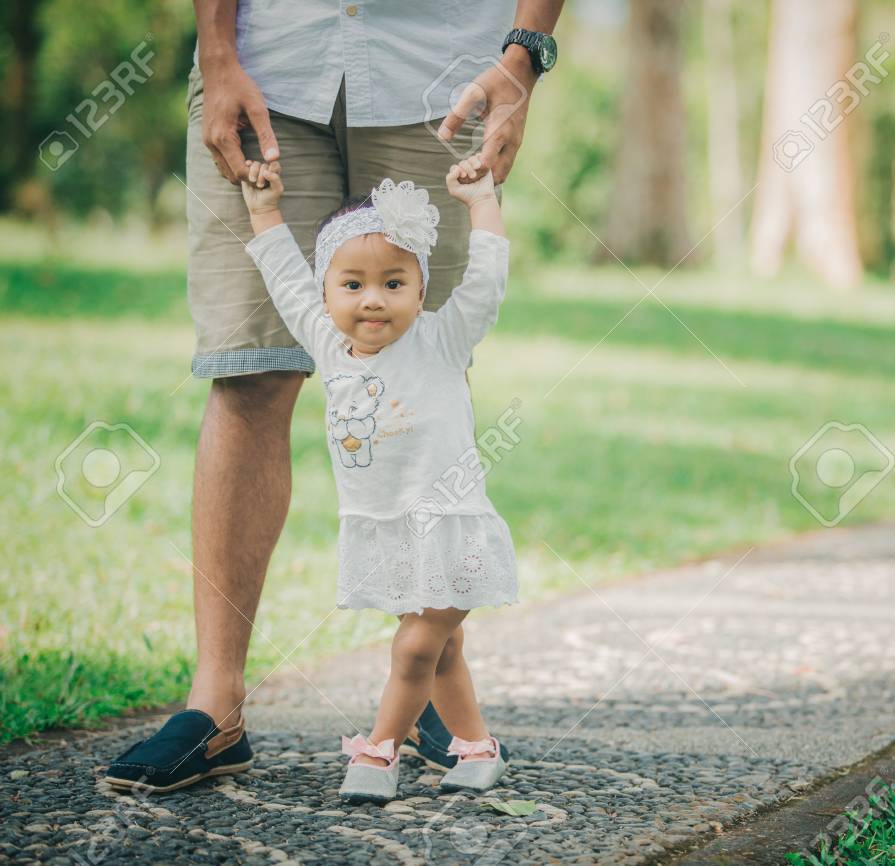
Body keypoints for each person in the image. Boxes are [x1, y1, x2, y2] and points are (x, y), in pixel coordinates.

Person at [103, 0, 562, 795]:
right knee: (247, 367)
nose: (371, 296)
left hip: (440, 66)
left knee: (431, 360)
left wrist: (525, 49)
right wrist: (216, 50)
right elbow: (282, 276)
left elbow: (475, 292)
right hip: (268, 62)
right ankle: (216, 707)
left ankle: (429, 699)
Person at [234, 156, 514, 801]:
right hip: (386, 532)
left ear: (420, 290)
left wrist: (481, 204)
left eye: (393, 282)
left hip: (449, 526)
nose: (373, 300)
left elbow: (488, 278)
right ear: (328, 292)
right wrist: (263, 210)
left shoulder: (443, 341)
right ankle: (477, 747)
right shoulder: (328, 349)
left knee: (415, 649)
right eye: (353, 285)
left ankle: (379, 750)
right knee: (442, 651)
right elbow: (283, 278)